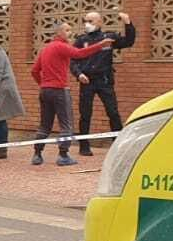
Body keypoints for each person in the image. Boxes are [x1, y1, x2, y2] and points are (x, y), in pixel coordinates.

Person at [31, 20, 106, 167]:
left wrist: (43, 84)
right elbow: (79, 53)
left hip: (45, 91)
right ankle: (63, 155)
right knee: (66, 124)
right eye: (67, 30)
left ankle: (37, 154)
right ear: (59, 33)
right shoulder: (61, 46)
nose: (70, 33)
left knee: (45, 125)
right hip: (60, 90)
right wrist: (100, 45)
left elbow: (34, 71)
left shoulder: (45, 49)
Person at [73, 9, 135, 156]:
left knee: (113, 112)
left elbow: (128, 41)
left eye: (90, 21)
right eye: (85, 21)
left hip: (104, 80)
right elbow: (73, 60)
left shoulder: (108, 38)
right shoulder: (81, 40)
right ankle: (84, 145)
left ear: (100, 22)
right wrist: (79, 74)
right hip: (87, 80)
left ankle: (118, 144)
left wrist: (128, 23)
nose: (87, 24)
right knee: (85, 114)